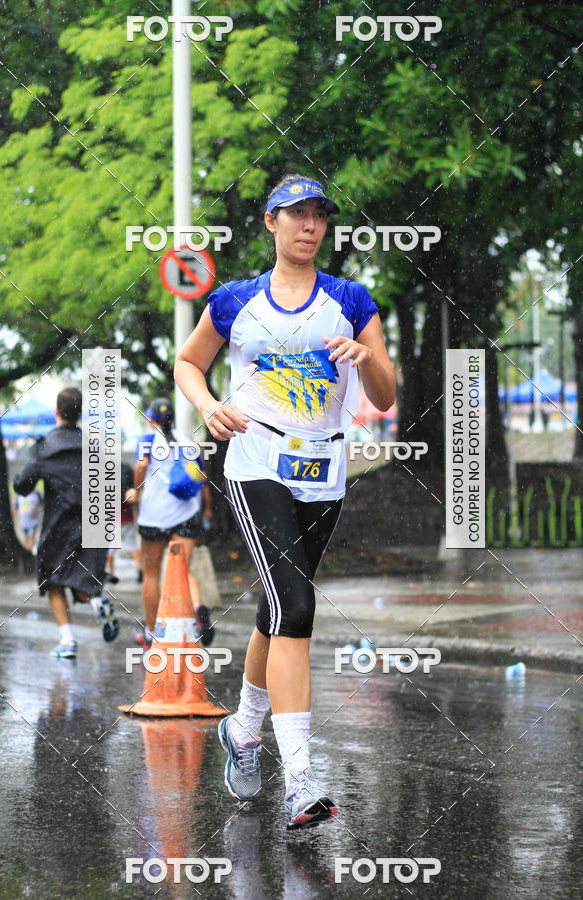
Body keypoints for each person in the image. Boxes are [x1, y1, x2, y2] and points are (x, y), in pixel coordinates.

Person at [174, 174, 395, 830]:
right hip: (255, 459)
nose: (309, 225)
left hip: (324, 465)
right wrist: (209, 406)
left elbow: (382, 393)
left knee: (277, 609)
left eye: (319, 215)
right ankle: (302, 776)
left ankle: (243, 730)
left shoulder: (351, 300)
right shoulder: (234, 301)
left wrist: (366, 356)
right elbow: (188, 363)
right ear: (269, 221)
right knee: (297, 604)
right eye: (295, 213)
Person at [13, 387, 119, 659]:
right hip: (94, 523)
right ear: (81, 414)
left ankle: (68, 641)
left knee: (54, 581)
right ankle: (97, 603)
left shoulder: (45, 447)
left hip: (59, 525)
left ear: (57, 412)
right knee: (85, 580)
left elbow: (23, 485)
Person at [131, 397, 214, 650]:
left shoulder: (147, 441)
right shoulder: (187, 441)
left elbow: (142, 465)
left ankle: (153, 633)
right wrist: (208, 508)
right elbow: (201, 476)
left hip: (154, 516)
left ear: (152, 419)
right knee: (180, 571)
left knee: (151, 574)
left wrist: (136, 491)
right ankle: (192, 619)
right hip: (186, 515)